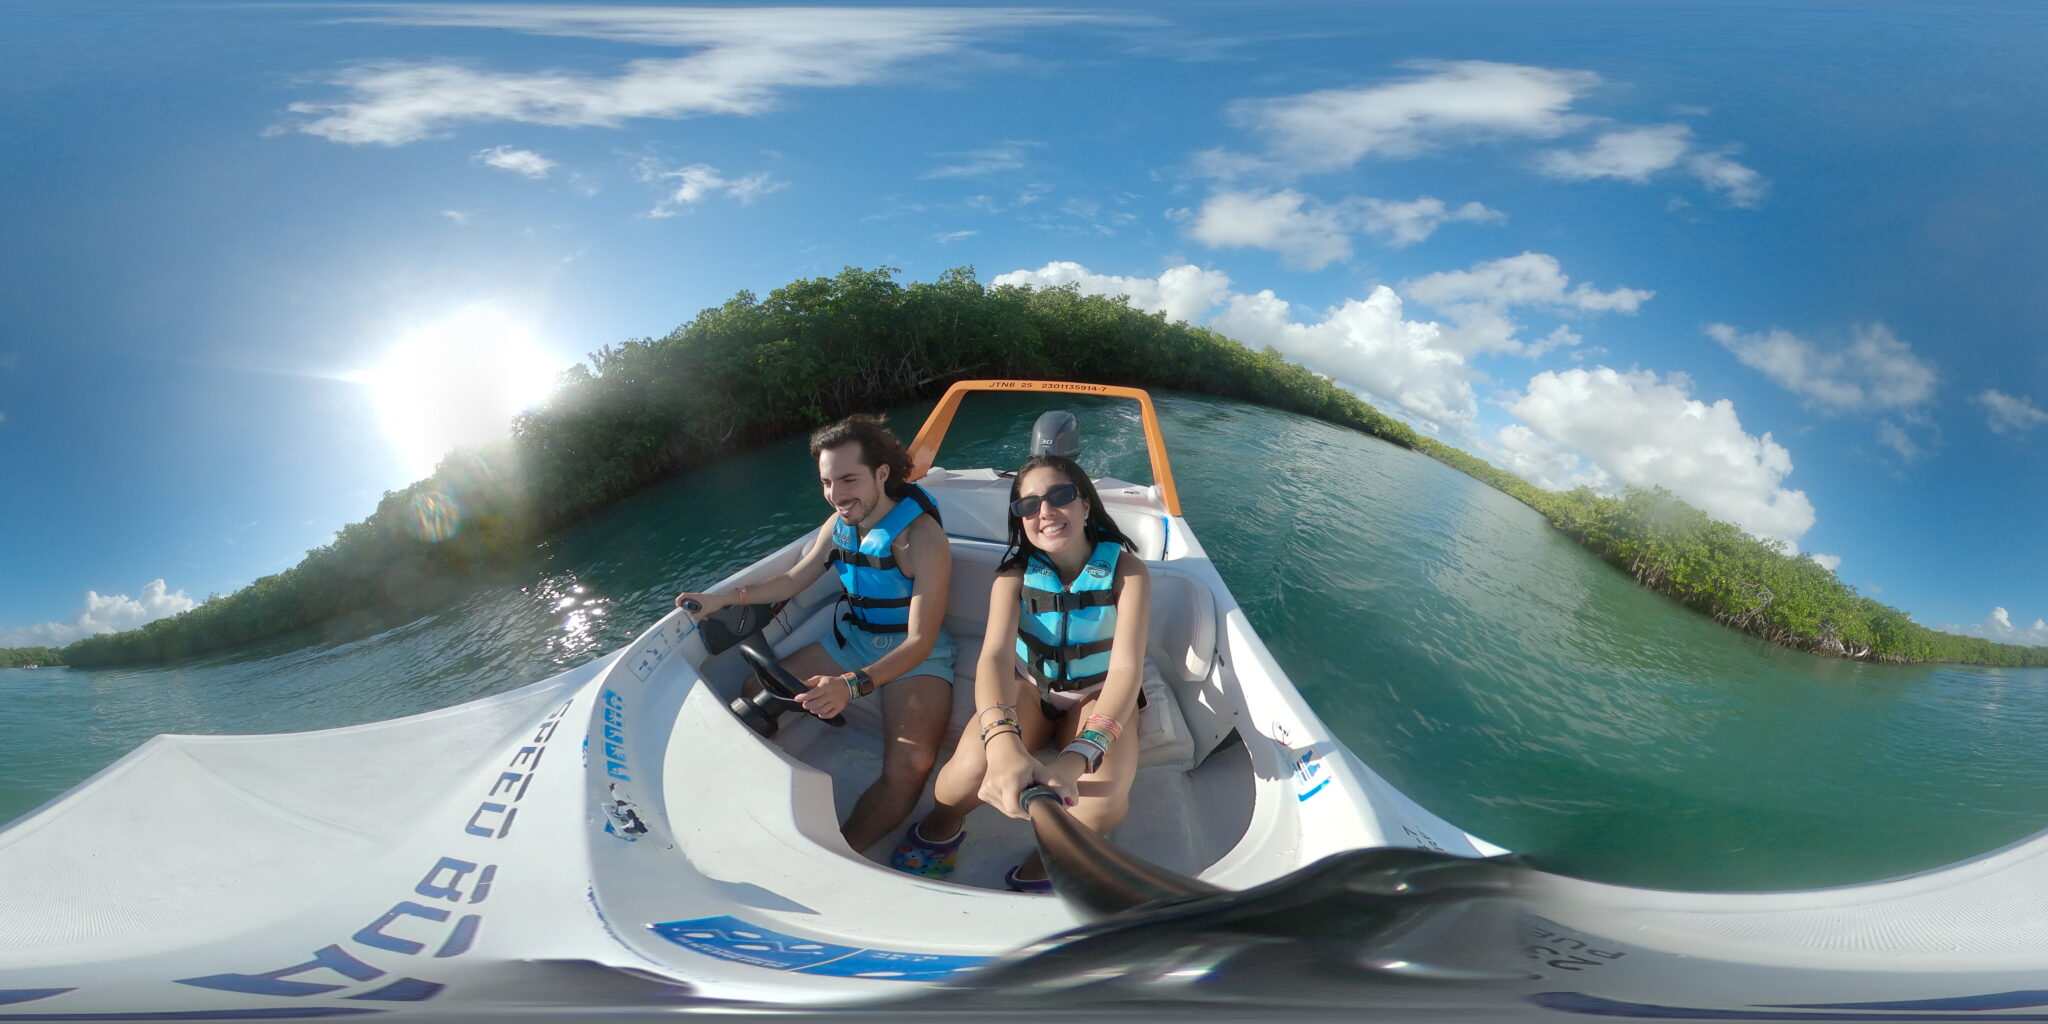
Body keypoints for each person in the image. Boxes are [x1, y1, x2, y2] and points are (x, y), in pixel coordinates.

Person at [674, 414, 956, 855]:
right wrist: (723, 599)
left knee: (911, 767)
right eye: (827, 482)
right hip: (856, 640)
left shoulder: (922, 537)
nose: (836, 495)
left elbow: (920, 640)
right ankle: (737, 804)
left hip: (914, 653)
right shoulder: (839, 524)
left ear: (882, 473)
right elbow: (792, 580)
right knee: (755, 688)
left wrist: (850, 685)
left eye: (848, 479)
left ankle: (845, 856)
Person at [892, 454, 1150, 892]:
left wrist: (1077, 758)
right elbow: (993, 657)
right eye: (1028, 506)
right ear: (1020, 520)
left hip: (1099, 694)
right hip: (1030, 689)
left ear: (1086, 504)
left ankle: (1049, 857)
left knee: (1101, 802)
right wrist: (1004, 743)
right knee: (965, 772)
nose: (1044, 512)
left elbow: (1127, 670)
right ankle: (943, 822)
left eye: (1060, 496)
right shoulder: (1013, 577)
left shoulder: (1128, 572)